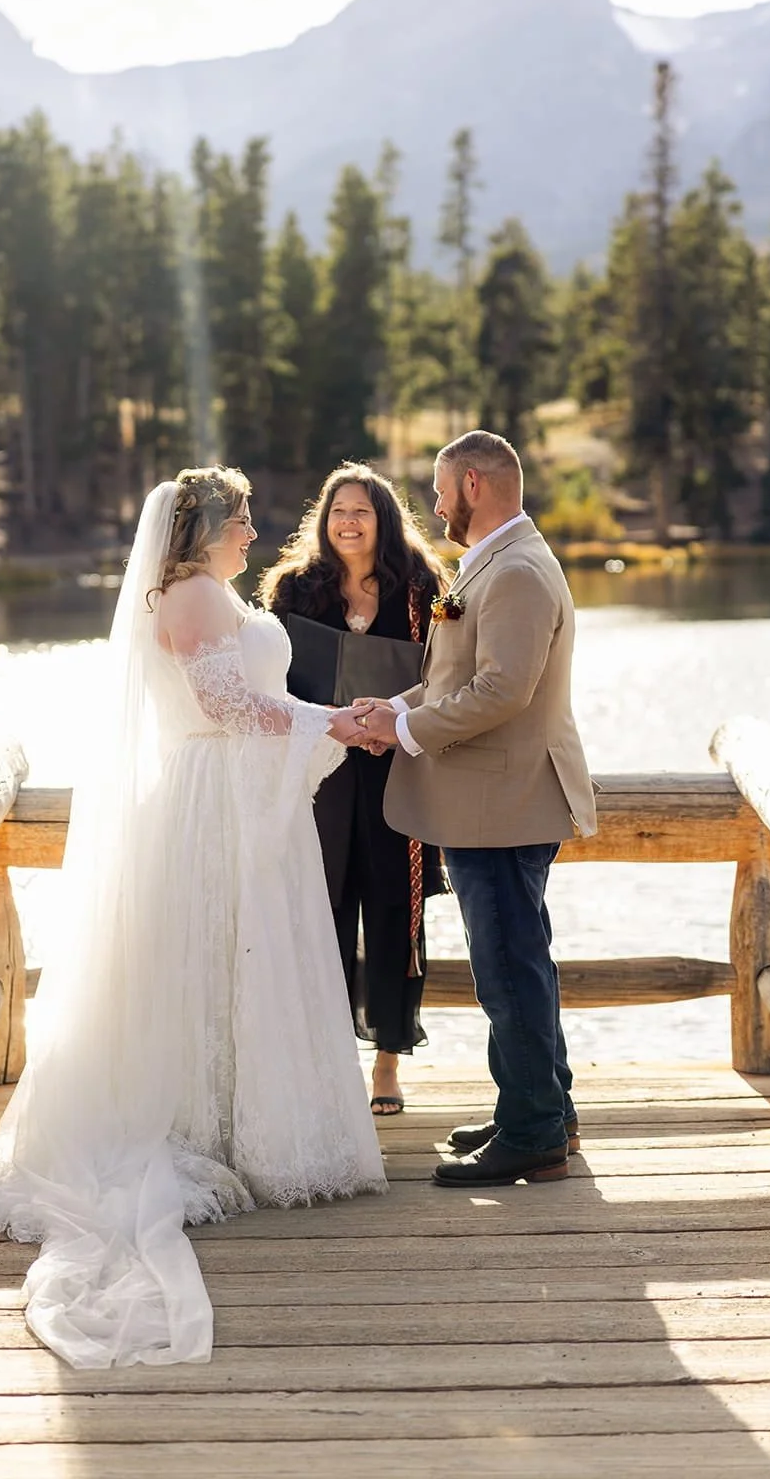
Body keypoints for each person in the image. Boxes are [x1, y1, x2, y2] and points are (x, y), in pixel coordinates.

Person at [0, 466, 386, 1368]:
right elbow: (223, 705)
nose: (252, 531)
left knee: (246, 955)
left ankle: (248, 1123)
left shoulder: (208, 591)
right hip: (213, 799)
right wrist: (334, 724)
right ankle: (208, 1129)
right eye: (240, 519)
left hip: (241, 795)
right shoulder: (196, 595)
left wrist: (331, 722)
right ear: (202, 529)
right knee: (213, 955)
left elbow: (243, 701)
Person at [358, 430, 597, 1186]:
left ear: (470, 483)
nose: (432, 506)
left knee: (507, 967)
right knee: (521, 960)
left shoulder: (518, 570)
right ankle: (541, 1110)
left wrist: (403, 733)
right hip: (495, 799)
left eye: (437, 490)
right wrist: (388, 708)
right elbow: (451, 674)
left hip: (505, 801)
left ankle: (533, 1133)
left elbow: (501, 691)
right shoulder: (494, 563)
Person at [260, 464, 446, 1116]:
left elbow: (448, 675)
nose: (348, 521)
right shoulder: (292, 590)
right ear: (322, 517)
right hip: (320, 775)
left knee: (398, 911)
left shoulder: (422, 589)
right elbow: (268, 683)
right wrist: (333, 727)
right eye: (338, 510)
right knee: (322, 909)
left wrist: (386, 726)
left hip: (401, 768)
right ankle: (327, 1064)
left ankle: (387, 1065)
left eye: (362, 511)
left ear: (384, 519)